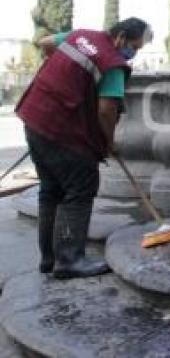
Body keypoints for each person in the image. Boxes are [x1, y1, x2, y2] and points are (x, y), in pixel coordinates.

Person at [15, 18, 152, 279]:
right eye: (134, 47)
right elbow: (106, 109)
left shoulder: (79, 35)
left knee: (50, 190)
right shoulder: (112, 63)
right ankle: (69, 261)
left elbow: (44, 43)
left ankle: (49, 259)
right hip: (64, 132)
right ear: (121, 37)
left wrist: (64, 75)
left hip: (35, 120)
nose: (133, 54)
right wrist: (109, 141)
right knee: (80, 188)